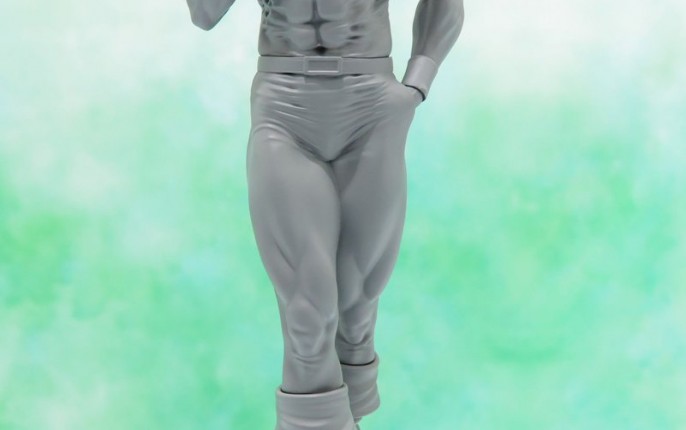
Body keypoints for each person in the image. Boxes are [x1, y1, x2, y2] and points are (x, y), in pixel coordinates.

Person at [186, 0, 464, 428]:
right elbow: (204, 16)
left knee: (356, 312)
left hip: (372, 105)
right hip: (284, 107)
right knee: (307, 313)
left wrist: (417, 83)